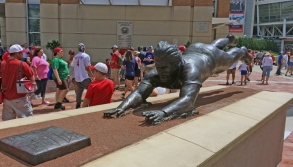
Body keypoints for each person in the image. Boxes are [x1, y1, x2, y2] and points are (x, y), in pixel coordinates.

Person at [104, 38, 251, 125]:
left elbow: (188, 100)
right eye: (159, 67)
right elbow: (140, 92)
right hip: (195, 49)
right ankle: (228, 38)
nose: (160, 72)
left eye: (165, 68)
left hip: (212, 57)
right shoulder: (158, 71)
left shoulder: (190, 71)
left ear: (177, 64)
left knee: (229, 58)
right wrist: (122, 107)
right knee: (212, 45)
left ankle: (242, 50)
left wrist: (163, 112)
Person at [0, 44, 35, 120]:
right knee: (27, 122)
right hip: (20, 97)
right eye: (21, 53)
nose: (23, 54)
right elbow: (32, 79)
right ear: (17, 54)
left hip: (6, 98)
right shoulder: (22, 64)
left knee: (8, 124)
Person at [72, 43, 94, 109]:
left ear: (78, 49)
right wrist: (93, 76)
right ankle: (89, 103)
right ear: (84, 48)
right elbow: (88, 67)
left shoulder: (75, 56)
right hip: (84, 77)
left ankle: (78, 105)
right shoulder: (86, 56)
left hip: (77, 77)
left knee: (79, 91)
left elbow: (74, 66)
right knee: (91, 90)